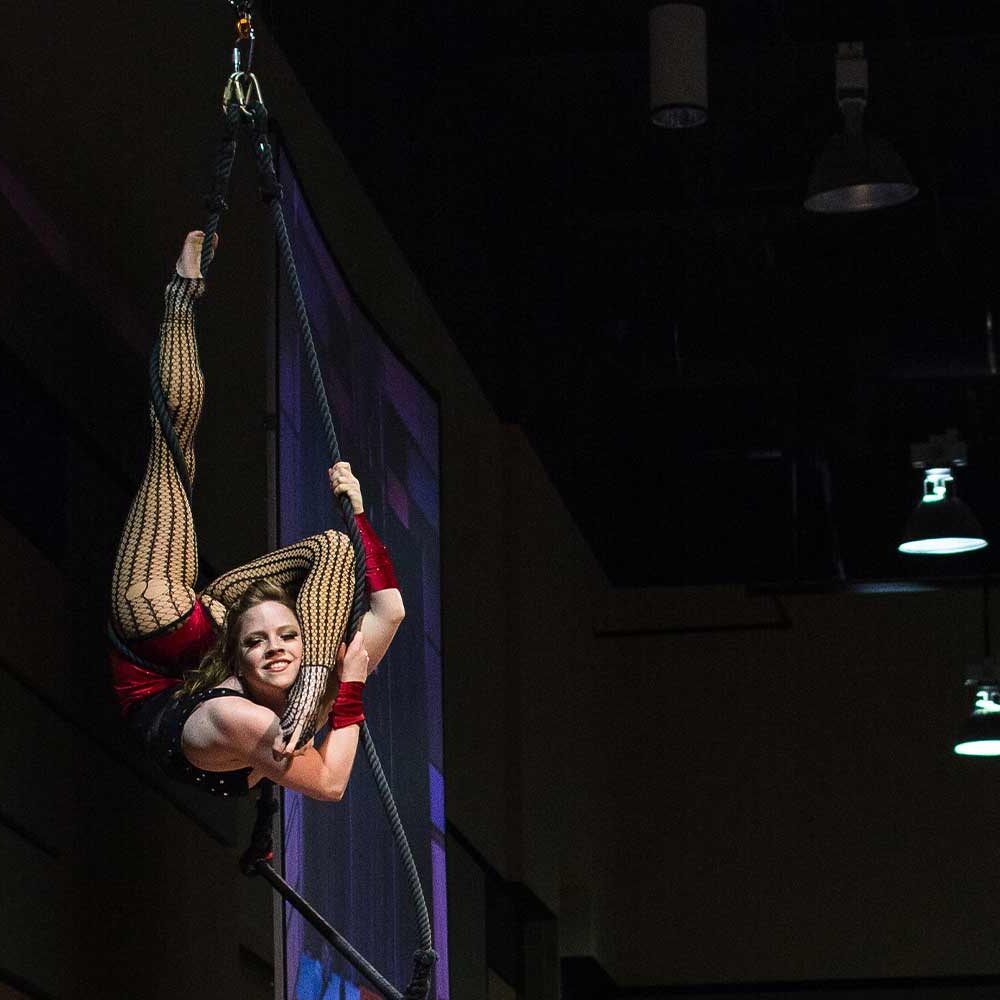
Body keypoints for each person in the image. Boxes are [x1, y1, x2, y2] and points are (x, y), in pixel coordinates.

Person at [109, 231, 405, 799]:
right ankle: (184, 291)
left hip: (155, 644)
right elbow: (389, 610)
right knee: (333, 547)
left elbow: (329, 784)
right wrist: (361, 516)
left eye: (288, 635)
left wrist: (338, 683)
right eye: (258, 642)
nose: (275, 647)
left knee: (175, 453)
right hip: (210, 629)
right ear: (236, 660)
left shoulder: (239, 720)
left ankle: (176, 299)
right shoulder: (291, 699)